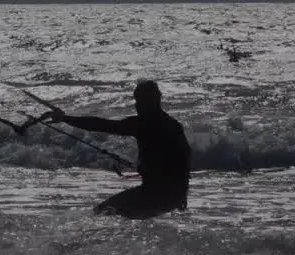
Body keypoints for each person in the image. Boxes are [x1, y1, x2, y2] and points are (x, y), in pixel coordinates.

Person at [42, 80, 192, 219]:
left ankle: (74, 247)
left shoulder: (145, 124)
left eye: (139, 101)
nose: (137, 105)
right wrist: (181, 195)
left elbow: (102, 125)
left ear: (152, 101)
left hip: (155, 195)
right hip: (174, 196)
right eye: (136, 101)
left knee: (102, 212)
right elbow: (186, 157)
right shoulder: (173, 125)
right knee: (118, 217)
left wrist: (65, 118)